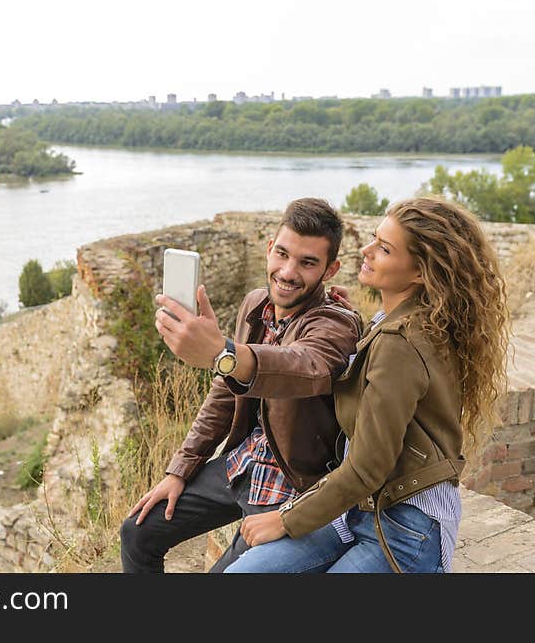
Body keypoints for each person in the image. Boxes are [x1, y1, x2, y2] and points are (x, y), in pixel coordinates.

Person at [224, 195, 509, 573]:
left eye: (384, 249)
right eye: (374, 239)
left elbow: (368, 468)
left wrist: (285, 518)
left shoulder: (400, 342)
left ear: (420, 272)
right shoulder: (393, 322)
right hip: (356, 510)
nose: (366, 250)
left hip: (404, 527)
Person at [120, 197, 363, 573]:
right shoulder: (255, 304)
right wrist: (179, 469)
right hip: (241, 464)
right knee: (137, 532)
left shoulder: (337, 324)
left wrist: (223, 352)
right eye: (281, 254)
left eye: (307, 262)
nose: (287, 271)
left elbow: (304, 367)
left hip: (294, 483)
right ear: (269, 248)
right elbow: (223, 392)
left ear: (331, 270)